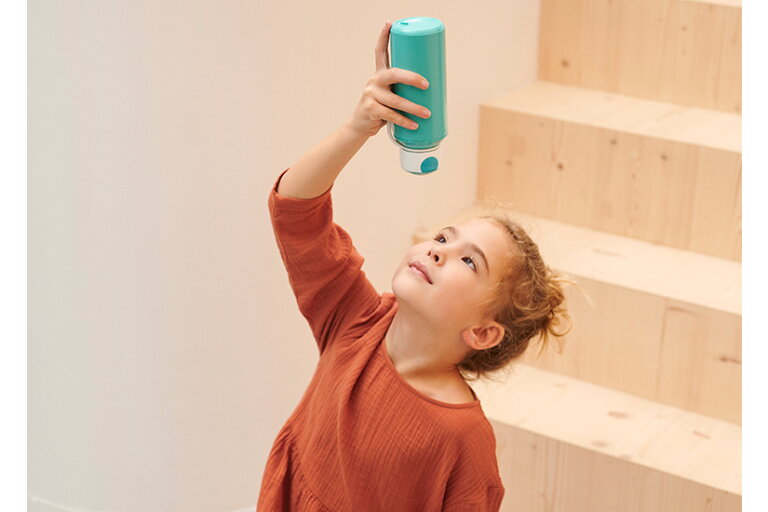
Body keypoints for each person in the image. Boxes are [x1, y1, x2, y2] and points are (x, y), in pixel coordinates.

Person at [257, 21, 572, 512]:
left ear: (484, 332)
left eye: (469, 260)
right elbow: (295, 210)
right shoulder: (356, 320)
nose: (439, 249)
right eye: (445, 237)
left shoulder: (463, 441)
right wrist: (357, 127)